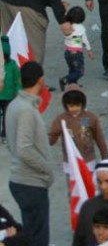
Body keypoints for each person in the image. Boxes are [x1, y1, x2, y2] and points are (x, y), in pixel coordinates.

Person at [6, 61, 53, 246]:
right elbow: (24, 148)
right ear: (40, 80)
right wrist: (46, 169)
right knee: (37, 239)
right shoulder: (25, 110)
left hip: (23, 181)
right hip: (31, 182)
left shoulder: (15, 106)